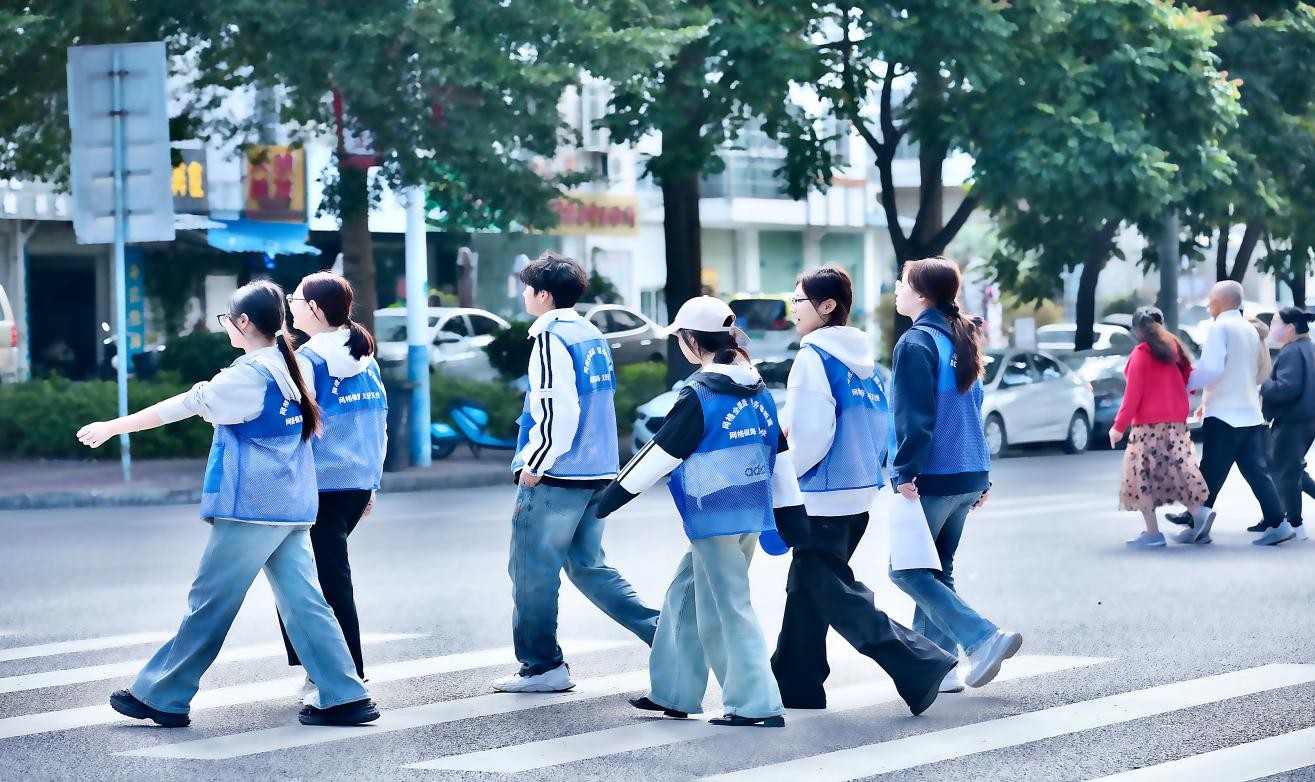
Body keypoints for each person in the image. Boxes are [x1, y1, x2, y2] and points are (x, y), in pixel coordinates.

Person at [76, 280, 378, 728]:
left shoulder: (247, 376)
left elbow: (181, 406)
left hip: (251, 505)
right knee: (304, 603)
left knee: (210, 602)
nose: (225, 326)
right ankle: (345, 694)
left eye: (227, 319)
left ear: (243, 322)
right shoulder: (291, 364)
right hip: (292, 505)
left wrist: (112, 427)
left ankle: (163, 694)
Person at [596, 296, 801, 727]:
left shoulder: (700, 394)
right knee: (684, 594)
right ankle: (674, 691)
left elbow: (660, 453)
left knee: (727, 607)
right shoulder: (757, 390)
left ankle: (755, 702)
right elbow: (778, 453)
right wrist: (791, 510)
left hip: (713, 516)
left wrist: (609, 498)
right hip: (749, 511)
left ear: (691, 340)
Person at [769, 267, 957, 713]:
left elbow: (811, 437)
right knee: (807, 590)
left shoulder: (813, 358)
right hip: (856, 497)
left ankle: (921, 663)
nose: (793, 309)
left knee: (838, 596)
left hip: (818, 498)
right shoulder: (866, 365)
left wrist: (781, 480)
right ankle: (797, 684)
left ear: (826, 306)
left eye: (799, 300)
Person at [494, 252, 659, 693]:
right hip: (598, 470)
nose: (524, 296)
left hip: (558, 474)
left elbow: (558, 409)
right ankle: (665, 634)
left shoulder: (551, 338)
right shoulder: (590, 334)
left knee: (532, 573)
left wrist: (536, 462)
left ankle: (542, 666)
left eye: (528, 289)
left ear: (544, 295)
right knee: (589, 567)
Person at [886, 257, 1022, 689]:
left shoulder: (916, 343)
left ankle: (982, 638)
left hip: (933, 475)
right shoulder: (959, 336)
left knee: (906, 571)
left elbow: (915, 417)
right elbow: (971, 412)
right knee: (936, 571)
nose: (897, 289)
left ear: (921, 294)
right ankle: (940, 668)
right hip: (968, 472)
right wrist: (983, 475)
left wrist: (904, 470)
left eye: (902, 283)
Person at [276, 271, 387, 689]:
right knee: (311, 575)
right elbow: (378, 425)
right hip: (357, 486)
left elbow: (293, 427)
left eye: (295, 299)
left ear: (314, 308)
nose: (291, 306)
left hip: (318, 487)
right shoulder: (365, 359)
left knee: (317, 580)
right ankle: (320, 665)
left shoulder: (307, 361)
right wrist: (372, 482)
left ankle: (344, 671)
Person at [1166, 281, 1284, 544]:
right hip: (1250, 413)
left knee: (1210, 469)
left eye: (1211, 299)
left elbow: (1212, 369)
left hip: (1224, 414)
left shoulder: (1220, 327)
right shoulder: (1249, 329)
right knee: (1255, 472)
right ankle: (1278, 522)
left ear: (1221, 301)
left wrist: (1184, 383)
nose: (1208, 305)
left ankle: (1196, 521)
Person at [1108, 307, 1211, 547]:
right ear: (1161, 324)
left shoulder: (1141, 354)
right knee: (1177, 469)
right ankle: (1199, 512)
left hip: (1148, 426)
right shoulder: (1175, 348)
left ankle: (1153, 533)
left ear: (1136, 331)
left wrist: (1118, 427)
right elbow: (1190, 382)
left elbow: (1132, 395)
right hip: (1176, 423)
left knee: (1141, 476)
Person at [1258, 306, 1315, 544]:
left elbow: (1286, 388)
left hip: (1292, 420)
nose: (1272, 328)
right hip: (1306, 419)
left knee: (1285, 474)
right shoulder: (1308, 347)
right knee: (1292, 469)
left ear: (1290, 327)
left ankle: (1295, 525)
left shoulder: (1292, 351)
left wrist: (1263, 386)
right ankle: (1292, 523)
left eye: (1275, 323)